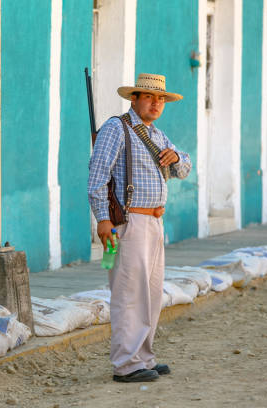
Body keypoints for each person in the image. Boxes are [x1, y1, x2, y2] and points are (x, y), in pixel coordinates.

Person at [88, 73, 192, 382]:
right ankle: (126, 365)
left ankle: (143, 357)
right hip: (128, 222)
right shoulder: (115, 128)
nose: (156, 103)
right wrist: (103, 220)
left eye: (160, 99)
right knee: (129, 294)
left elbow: (184, 167)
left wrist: (177, 156)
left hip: (154, 222)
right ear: (134, 99)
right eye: (149, 97)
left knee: (151, 294)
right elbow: (97, 177)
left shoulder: (158, 136)